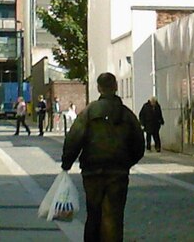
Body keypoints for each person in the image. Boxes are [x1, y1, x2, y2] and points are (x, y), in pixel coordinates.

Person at [61, 72, 145, 242]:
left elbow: (74, 137)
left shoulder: (89, 112)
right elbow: (139, 145)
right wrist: (126, 163)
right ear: (115, 87)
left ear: (99, 88)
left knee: (94, 213)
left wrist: (67, 163)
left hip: (92, 172)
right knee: (113, 216)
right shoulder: (126, 114)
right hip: (118, 172)